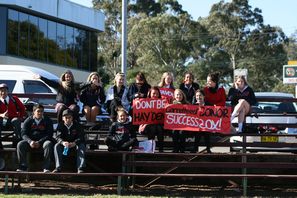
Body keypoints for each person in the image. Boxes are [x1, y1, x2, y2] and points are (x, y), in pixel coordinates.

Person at [16, 104, 54, 172]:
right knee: (20, 144)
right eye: (38, 111)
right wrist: (30, 141)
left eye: (42, 111)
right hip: (31, 143)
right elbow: (23, 134)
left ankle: (46, 168)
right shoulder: (28, 120)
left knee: (48, 144)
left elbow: (49, 134)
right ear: (34, 112)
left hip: (42, 143)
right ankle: (23, 167)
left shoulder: (48, 120)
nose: (40, 113)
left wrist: (39, 142)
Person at [53, 109, 86, 173]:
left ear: (72, 118)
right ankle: (58, 167)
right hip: (64, 146)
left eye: (69, 117)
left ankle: (80, 168)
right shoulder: (60, 125)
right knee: (57, 146)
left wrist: (74, 143)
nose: (68, 119)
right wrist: (63, 142)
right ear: (63, 118)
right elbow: (57, 137)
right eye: (66, 117)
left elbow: (81, 137)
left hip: (75, 146)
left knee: (81, 146)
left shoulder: (77, 125)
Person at [138, 86, 165, 152]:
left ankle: (161, 149)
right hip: (148, 125)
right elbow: (142, 116)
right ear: (150, 94)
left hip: (159, 124)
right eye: (153, 93)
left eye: (157, 93)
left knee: (159, 128)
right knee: (152, 127)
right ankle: (151, 148)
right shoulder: (144, 103)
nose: (155, 95)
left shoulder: (162, 103)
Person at [0, 83, 26, 148]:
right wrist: (1, 115)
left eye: (5, 90)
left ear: (8, 91)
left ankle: (16, 144)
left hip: (13, 120)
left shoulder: (14, 99)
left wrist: (20, 117)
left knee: (16, 120)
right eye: (1, 91)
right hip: (2, 121)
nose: (3, 92)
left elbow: (22, 108)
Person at [172, 89, 189, 153]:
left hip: (184, 125)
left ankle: (182, 150)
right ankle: (175, 149)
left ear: (183, 95)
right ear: (174, 96)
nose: (179, 96)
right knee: (174, 132)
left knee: (182, 132)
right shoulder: (171, 104)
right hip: (175, 125)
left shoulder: (187, 104)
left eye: (180, 95)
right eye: (177, 95)